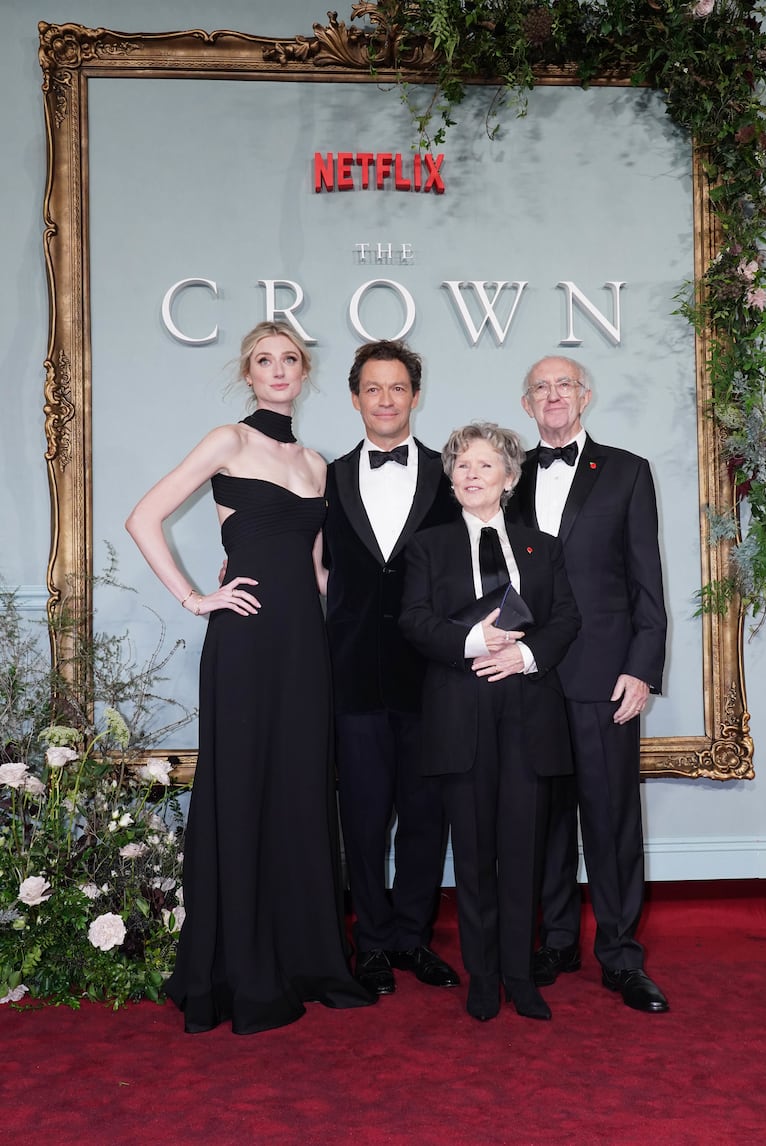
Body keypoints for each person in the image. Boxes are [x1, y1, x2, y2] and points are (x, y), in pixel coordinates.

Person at [125, 321, 374, 1034]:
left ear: (304, 372)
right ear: (248, 373)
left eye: (289, 359)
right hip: (245, 642)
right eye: (264, 360)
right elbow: (144, 517)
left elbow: (321, 572)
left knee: (299, 787)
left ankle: (308, 958)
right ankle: (239, 966)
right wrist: (195, 598)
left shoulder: (318, 463)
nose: (277, 370)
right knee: (242, 784)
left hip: (305, 646)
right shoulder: (227, 441)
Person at [399, 423, 580, 1022]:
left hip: (529, 714)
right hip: (460, 714)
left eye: (483, 466)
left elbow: (564, 620)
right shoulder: (428, 547)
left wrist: (523, 655)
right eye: (460, 467)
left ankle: (520, 977)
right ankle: (483, 978)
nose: (470, 475)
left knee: (522, 852)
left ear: (508, 478)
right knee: (473, 855)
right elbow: (414, 622)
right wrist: (474, 640)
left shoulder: (542, 546)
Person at [509, 355, 669, 1014]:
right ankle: (554, 942)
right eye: (541, 388)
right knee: (542, 820)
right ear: (527, 404)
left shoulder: (627, 471)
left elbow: (645, 583)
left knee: (611, 819)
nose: (553, 396)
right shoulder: (505, 472)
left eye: (563, 385)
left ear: (586, 396)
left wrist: (643, 666)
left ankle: (622, 954)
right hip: (526, 676)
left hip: (606, 676)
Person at [324, 339, 461, 996]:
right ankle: (371, 943)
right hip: (351, 674)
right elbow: (305, 563)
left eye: (397, 388)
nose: (384, 399)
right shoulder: (323, 477)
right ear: (355, 398)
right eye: (372, 388)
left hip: (432, 679)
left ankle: (413, 938)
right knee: (364, 818)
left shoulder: (454, 474)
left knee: (426, 814)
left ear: (414, 396)